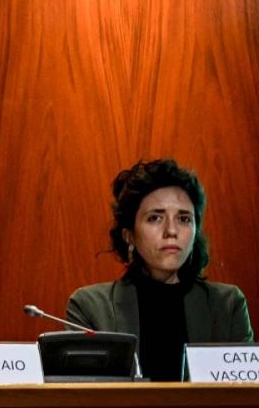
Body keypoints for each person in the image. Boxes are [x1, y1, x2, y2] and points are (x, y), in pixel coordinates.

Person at [66, 159, 253, 381]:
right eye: (155, 218)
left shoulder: (227, 305)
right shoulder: (90, 307)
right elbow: (80, 396)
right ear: (129, 235)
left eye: (184, 219)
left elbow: (245, 394)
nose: (171, 230)